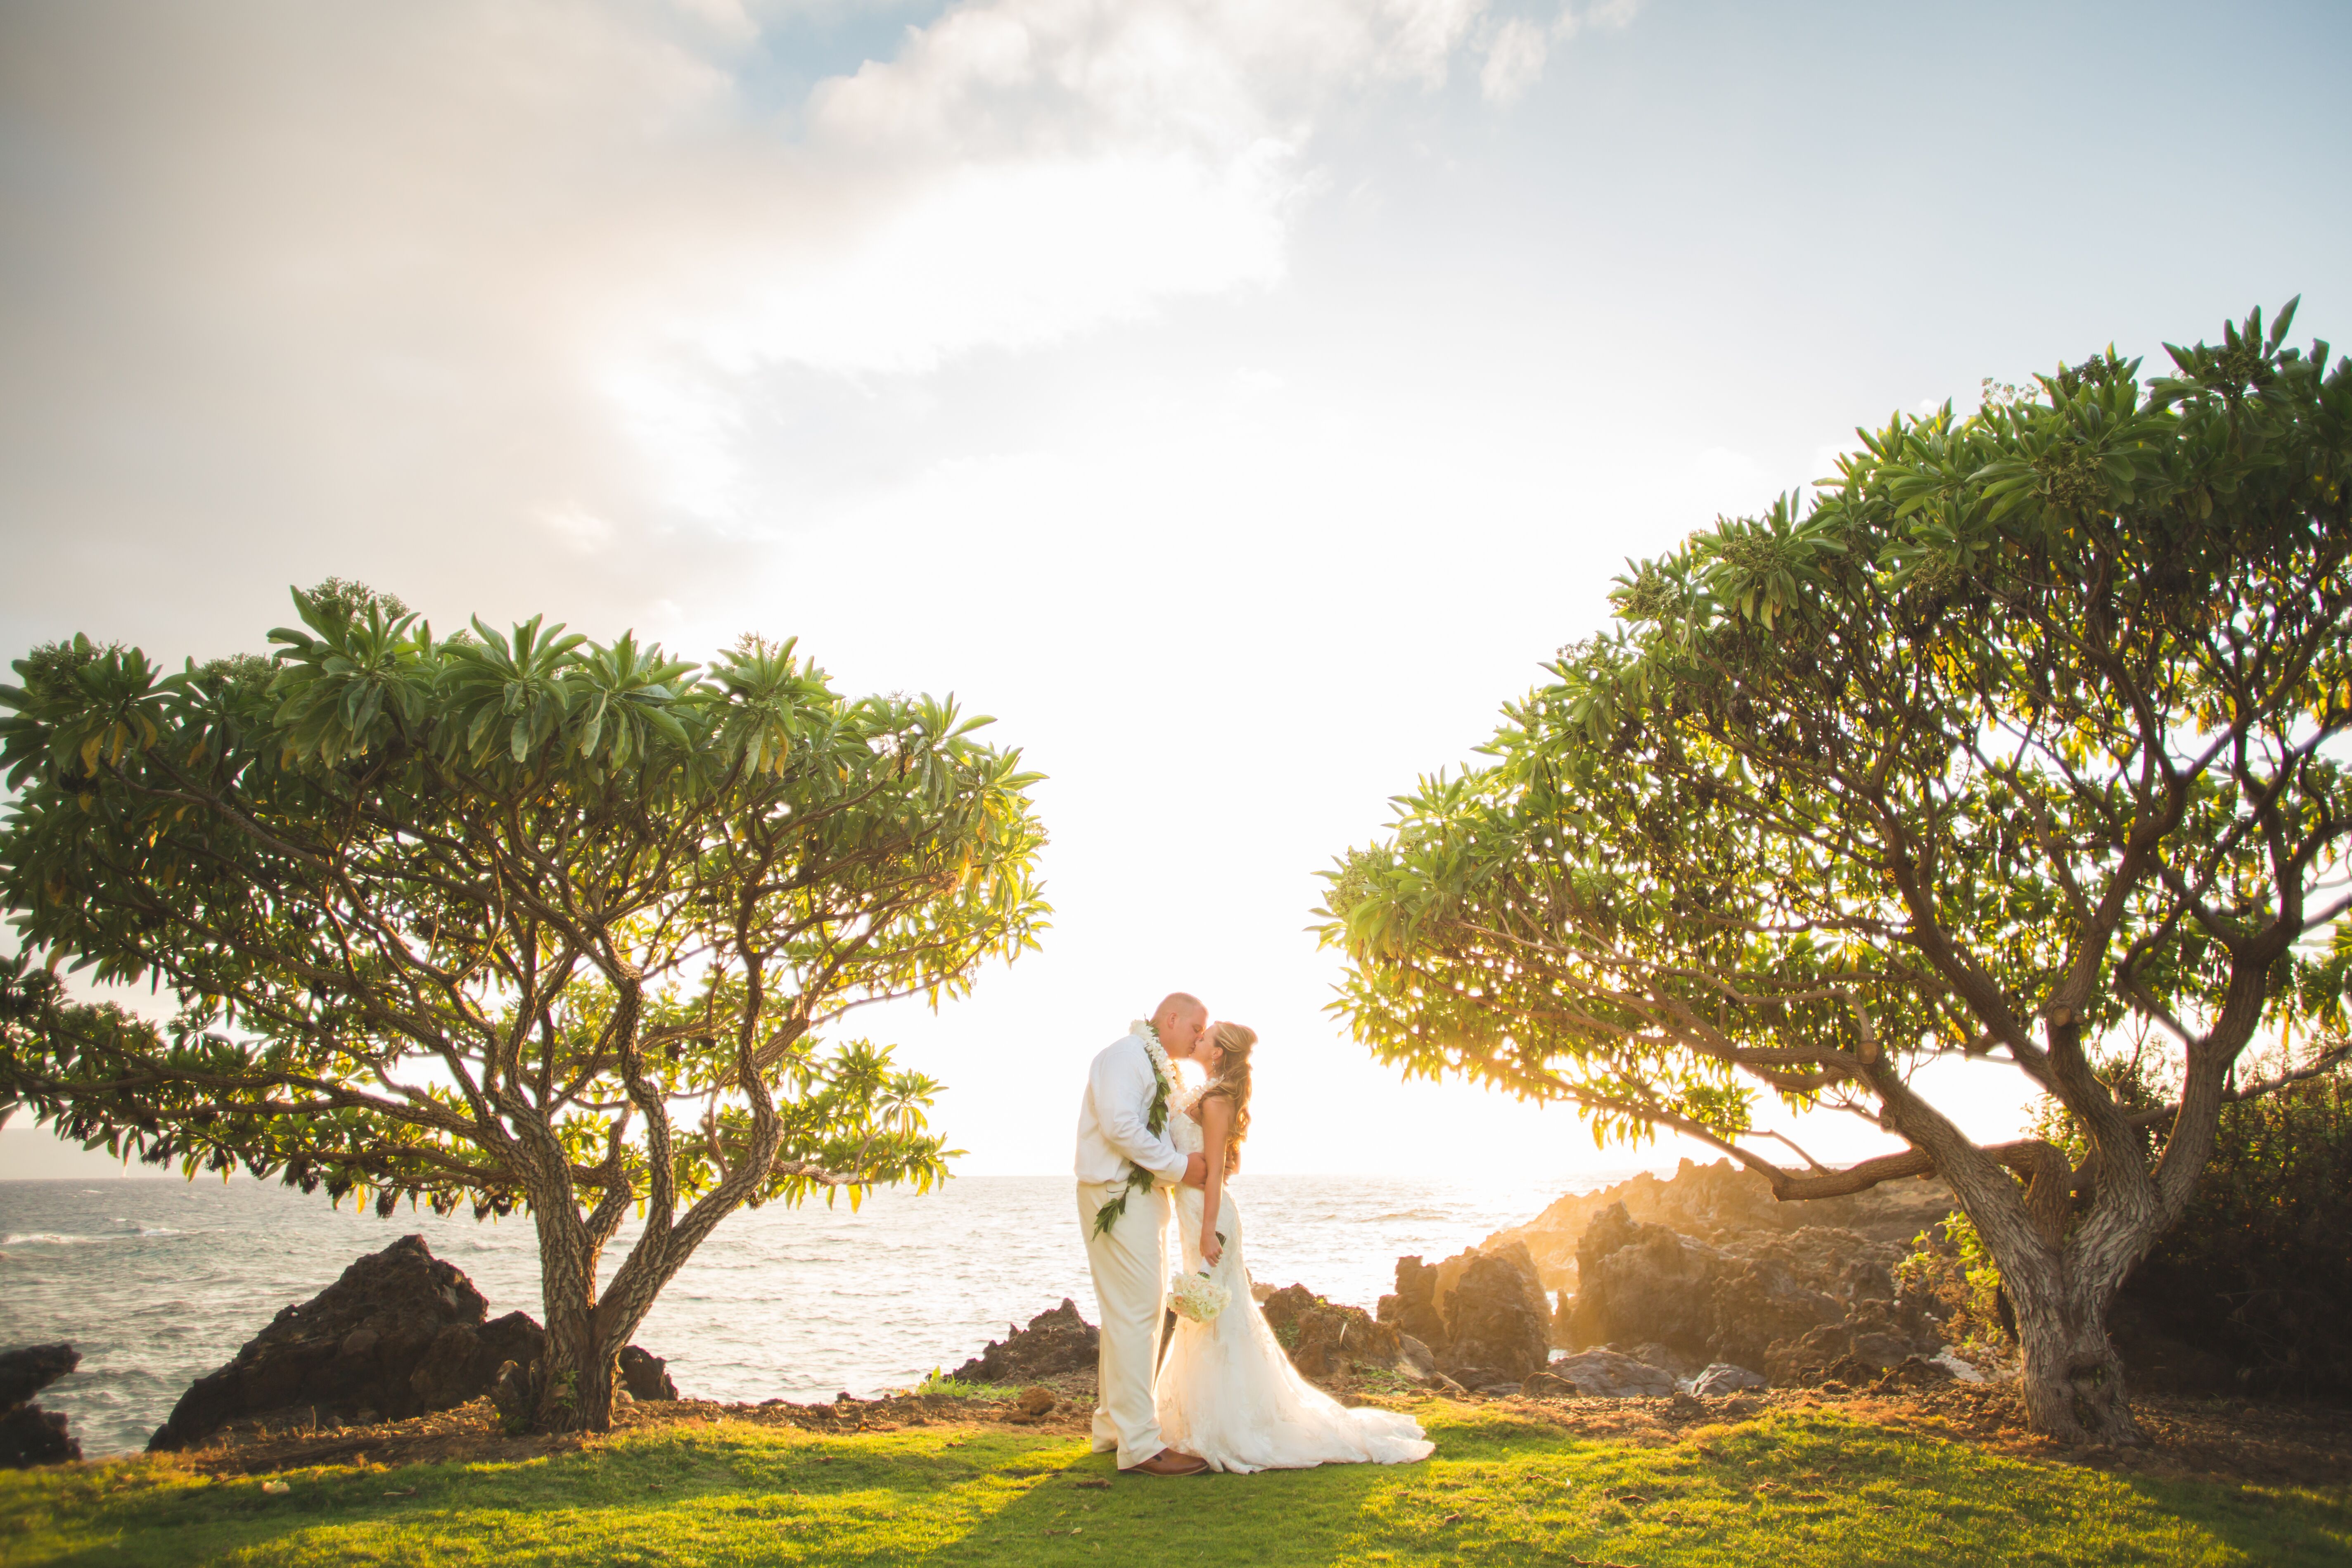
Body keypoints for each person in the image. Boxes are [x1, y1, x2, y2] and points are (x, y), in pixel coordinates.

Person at [1154, 1021, 1435, 1472]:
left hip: (1207, 1216)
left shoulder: (1217, 1100)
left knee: (1219, 1317)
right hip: (1191, 1213)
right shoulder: (1204, 1091)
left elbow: (1214, 1175)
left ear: (1220, 1052)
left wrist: (1208, 1230)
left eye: (1205, 1037)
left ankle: (1229, 1423)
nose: (1198, 1039)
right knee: (1210, 1316)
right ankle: (1192, 1418)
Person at [1074, 993, 1214, 1477]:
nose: (1199, 1037)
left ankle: (1113, 1426)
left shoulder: (1151, 1063)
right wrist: (1179, 1166)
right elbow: (1119, 1125)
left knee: (1133, 1313)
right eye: (1196, 1027)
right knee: (1136, 1313)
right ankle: (1139, 1443)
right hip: (1117, 1193)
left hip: (1138, 1195)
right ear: (1169, 1018)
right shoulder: (1126, 1056)